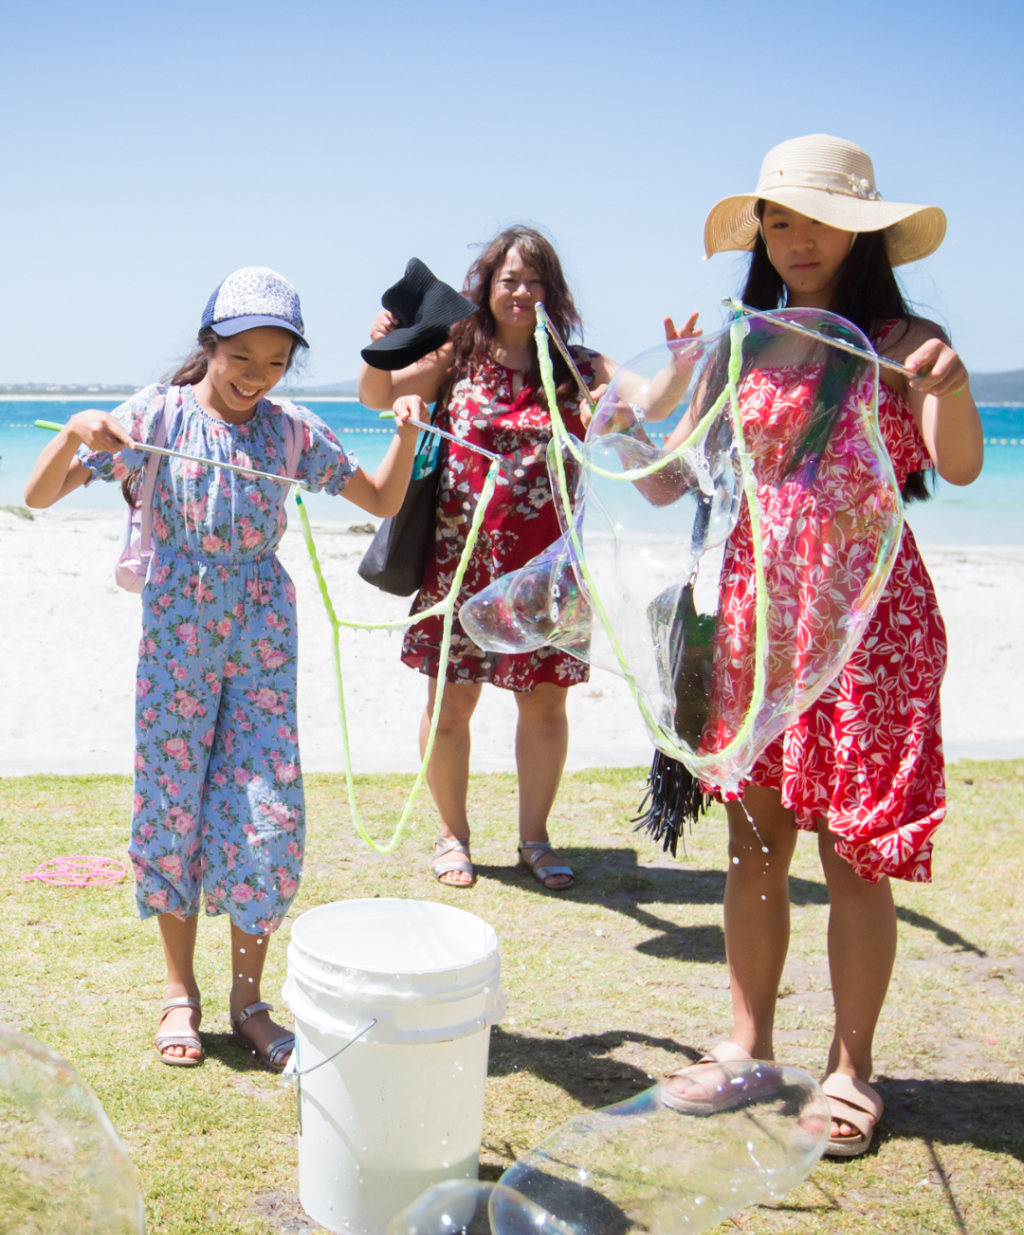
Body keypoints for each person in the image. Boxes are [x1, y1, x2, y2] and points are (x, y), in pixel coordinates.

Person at [660, 136, 983, 1154]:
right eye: (779, 219)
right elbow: (677, 479)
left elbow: (959, 466)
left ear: (865, 230)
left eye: (819, 219)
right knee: (752, 840)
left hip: (871, 625)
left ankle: (850, 1068)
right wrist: (659, 390)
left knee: (853, 857)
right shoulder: (741, 340)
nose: (797, 239)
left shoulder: (904, 335)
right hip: (759, 617)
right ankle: (748, 1046)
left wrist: (954, 382)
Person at [25, 267, 420, 1069]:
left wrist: (408, 430)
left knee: (265, 809)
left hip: (265, 630)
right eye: (243, 355)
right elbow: (39, 495)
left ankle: (248, 1001)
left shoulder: (293, 432)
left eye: (276, 361)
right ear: (211, 345)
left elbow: (379, 500)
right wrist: (76, 432)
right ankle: (181, 995)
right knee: (171, 806)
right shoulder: (155, 416)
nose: (257, 376)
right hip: (178, 629)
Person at [358, 226, 620, 891]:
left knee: (545, 709)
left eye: (535, 281)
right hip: (460, 568)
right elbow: (378, 394)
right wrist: (380, 347)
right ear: (487, 288)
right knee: (450, 709)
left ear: (552, 292)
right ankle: (453, 835)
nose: (522, 291)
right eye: (509, 280)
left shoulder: (579, 367)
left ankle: (535, 838)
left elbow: (647, 398)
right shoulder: (459, 354)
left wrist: (673, 366)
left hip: (549, 574)